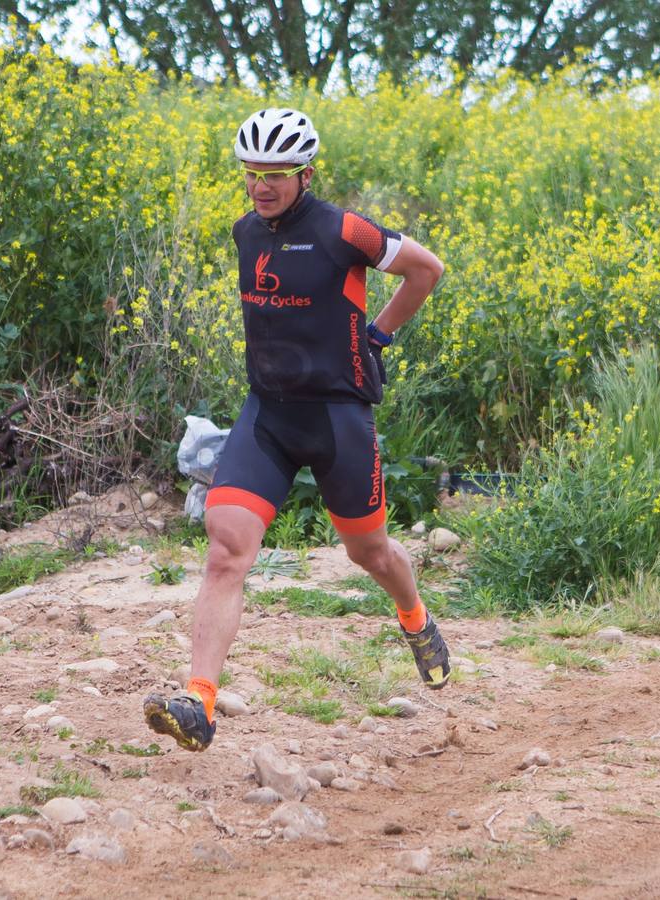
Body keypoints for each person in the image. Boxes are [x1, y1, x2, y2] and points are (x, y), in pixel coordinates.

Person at [143, 108, 450, 752]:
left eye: (276, 173)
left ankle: (414, 616)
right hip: (268, 415)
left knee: (369, 554)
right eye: (253, 172)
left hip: (338, 418)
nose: (262, 185)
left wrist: (379, 336)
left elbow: (427, 270)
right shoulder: (243, 232)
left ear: (304, 173)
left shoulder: (345, 230)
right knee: (226, 549)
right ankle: (198, 702)